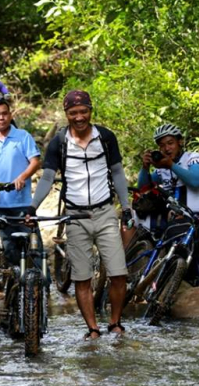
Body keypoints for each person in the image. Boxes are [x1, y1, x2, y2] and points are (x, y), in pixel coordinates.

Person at [28, 90, 132, 339]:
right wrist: (32, 208)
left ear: (90, 111)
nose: (79, 117)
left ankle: (115, 323)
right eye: (73, 113)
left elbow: (117, 173)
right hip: (75, 217)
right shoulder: (58, 143)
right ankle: (93, 329)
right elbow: (47, 177)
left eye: (83, 111)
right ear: (66, 114)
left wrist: (126, 207)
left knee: (119, 274)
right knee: (82, 278)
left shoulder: (105, 138)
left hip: (106, 212)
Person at [137, 123, 199, 283]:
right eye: (162, 145)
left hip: (197, 215)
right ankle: (135, 274)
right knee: (134, 221)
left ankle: (190, 277)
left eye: (170, 143)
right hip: (173, 214)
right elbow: (143, 188)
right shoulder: (162, 168)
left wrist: (171, 165)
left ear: (180, 142)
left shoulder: (193, 159)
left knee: (175, 231)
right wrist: (145, 168)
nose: (166, 148)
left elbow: (195, 180)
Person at [0, 98, 42, 267]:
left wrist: (22, 176)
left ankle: (42, 287)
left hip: (22, 203)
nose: (2, 118)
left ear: (10, 115)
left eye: (5, 113)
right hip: (0, 205)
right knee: (9, 249)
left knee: (35, 248)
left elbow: (35, 161)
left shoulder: (23, 137)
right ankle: (16, 288)